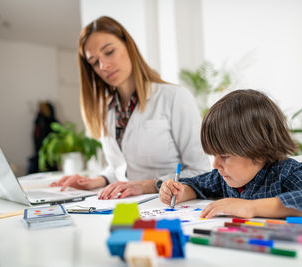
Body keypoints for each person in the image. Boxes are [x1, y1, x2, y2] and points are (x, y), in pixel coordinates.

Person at [50, 16, 210, 199]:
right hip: (124, 204)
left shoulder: (174, 97)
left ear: (129, 47)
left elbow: (201, 170)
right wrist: (99, 180)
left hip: (168, 205)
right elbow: (121, 167)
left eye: (109, 51)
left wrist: (148, 185)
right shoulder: (108, 109)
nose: (103, 66)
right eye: (94, 62)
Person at [159, 89, 302, 220]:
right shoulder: (225, 177)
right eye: (213, 155)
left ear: (257, 151)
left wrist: (252, 207)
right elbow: (198, 184)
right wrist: (182, 191)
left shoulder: (286, 173)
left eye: (224, 156)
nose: (215, 164)